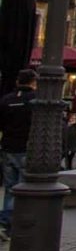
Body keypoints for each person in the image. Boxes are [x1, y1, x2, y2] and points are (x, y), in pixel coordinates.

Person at [0, 70, 37, 240]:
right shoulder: (35, 100)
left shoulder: (7, 100)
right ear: (33, 82)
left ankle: (6, 221)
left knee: (10, 187)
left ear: (17, 81)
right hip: (26, 147)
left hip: (8, 146)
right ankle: (18, 223)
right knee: (23, 187)